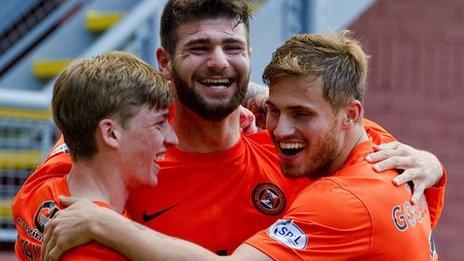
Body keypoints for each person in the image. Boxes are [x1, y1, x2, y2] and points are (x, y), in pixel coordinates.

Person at [31, 0, 445, 257]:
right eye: (198, 48)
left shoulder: (300, 146)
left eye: (233, 48)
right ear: (164, 60)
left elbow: (357, 144)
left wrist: (432, 164)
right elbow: (52, 212)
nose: (218, 62)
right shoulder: (120, 148)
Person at [12, 51, 178, 260]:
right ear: (110, 133)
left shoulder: (35, 190)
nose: (172, 138)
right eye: (159, 123)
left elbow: (83, 112)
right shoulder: (102, 250)